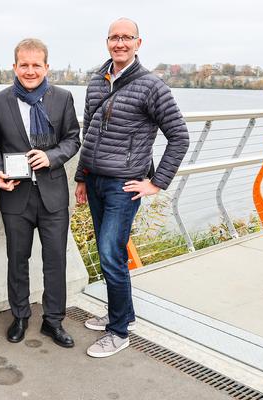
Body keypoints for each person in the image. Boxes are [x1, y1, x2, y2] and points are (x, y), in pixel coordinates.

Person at [74, 18, 189, 358]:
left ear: (139, 43)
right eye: (114, 37)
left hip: (124, 186)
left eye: (126, 38)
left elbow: (179, 137)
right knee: (110, 251)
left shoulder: (153, 86)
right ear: (106, 42)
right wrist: (81, 176)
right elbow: (89, 133)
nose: (119, 43)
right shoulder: (97, 81)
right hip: (94, 180)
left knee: (110, 254)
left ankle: (119, 331)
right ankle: (121, 313)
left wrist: (157, 182)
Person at [0, 38, 81, 348]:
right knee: (17, 259)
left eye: (36, 65)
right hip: (16, 196)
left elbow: (73, 139)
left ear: (46, 67)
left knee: (55, 261)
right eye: (23, 65)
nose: (29, 70)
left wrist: (51, 157)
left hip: (53, 196)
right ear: (14, 67)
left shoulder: (63, 98)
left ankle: (53, 321)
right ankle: (21, 315)